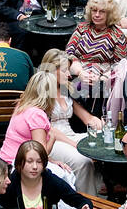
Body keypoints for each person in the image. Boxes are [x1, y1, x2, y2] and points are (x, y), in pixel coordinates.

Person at [36, 50, 98, 192]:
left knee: (102, 146)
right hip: (51, 141)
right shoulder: (42, 92)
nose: (69, 75)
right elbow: (48, 129)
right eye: (64, 71)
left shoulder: (66, 89)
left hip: (70, 135)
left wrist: (100, 125)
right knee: (83, 160)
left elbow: (87, 118)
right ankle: (85, 200)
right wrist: (75, 144)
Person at [0, 141, 92, 209]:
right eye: (29, 161)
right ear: (20, 163)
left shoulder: (49, 180)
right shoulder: (10, 184)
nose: (35, 167)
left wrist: (86, 205)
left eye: (39, 162)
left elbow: (76, 198)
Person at [0, 71, 77, 167]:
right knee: (66, 176)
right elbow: (41, 154)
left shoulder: (22, 105)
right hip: (19, 165)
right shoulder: (37, 115)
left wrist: (53, 162)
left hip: (6, 159)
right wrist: (52, 138)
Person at [64, 0, 127, 105]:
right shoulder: (82, 28)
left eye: (102, 12)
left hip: (102, 76)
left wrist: (102, 77)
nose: (97, 15)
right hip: (77, 69)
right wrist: (80, 72)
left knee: (89, 89)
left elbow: (120, 64)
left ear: (110, 14)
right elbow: (69, 52)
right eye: (94, 10)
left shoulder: (117, 35)